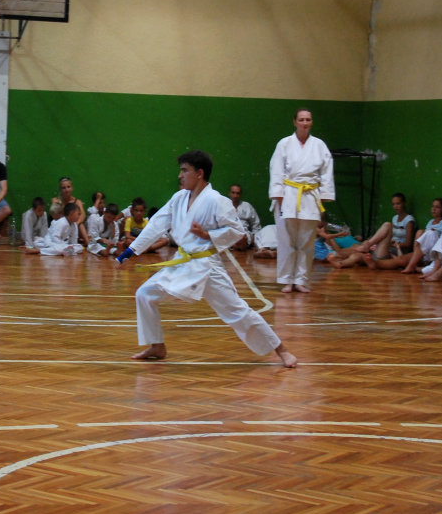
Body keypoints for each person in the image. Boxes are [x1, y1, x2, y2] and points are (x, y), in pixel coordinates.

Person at [116, 150, 298, 368]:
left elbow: (237, 231)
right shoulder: (179, 198)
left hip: (207, 266)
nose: (180, 176)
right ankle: (157, 346)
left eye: (185, 171)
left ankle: (281, 350)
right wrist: (131, 251)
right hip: (183, 262)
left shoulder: (217, 201)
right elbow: (157, 224)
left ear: (199, 173)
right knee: (145, 294)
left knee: (237, 311)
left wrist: (207, 235)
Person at [269, 108, 335, 293]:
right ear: (295, 122)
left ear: (311, 122)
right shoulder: (284, 144)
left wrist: (324, 195)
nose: (305, 123)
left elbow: (327, 172)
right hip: (288, 193)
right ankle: (286, 279)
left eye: (308, 119)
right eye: (301, 119)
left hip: (310, 195)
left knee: (307, 240)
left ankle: (301, 280)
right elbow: (276, 170)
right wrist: (278, 195)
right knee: (286, 240)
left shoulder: (319, 145)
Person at [401, 198, 442, 273]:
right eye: (433, 206)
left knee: (431, 233)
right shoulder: (430, 222)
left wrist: (435, 232)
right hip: (426, 252)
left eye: (437, 207)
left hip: (436, 252)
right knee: (420, 232)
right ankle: (417, 259)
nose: (434, 209)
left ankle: (412, 265)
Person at [227, 184, 262, 250]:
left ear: (240, 195)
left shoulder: (247, 206)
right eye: (233, 193)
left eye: (238, 193)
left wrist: (255, 239)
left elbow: (256, 224)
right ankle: (236, 244)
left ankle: (240, 243)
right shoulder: (224, 205)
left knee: (245, 236)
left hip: (244, 233)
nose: (235, 196)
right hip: (229, 231)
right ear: (229, 193)